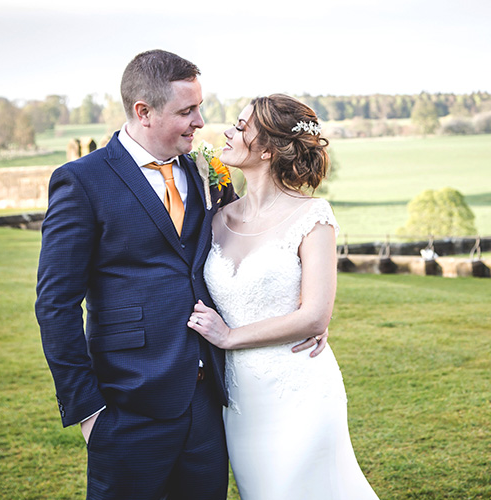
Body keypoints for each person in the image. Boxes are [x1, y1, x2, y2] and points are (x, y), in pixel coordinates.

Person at [35, 51, 323, 500]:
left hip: (209, 405)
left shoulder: (205, 171)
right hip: (128, 404)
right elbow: (56, 305)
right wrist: (88, 410)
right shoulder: (82, 182)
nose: (200, 121)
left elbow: (246, 253)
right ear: (143, 112)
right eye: (187, 111)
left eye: (199, 107)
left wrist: (300, 318)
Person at [188, 94, 379, 499]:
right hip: (239, 399)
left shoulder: (314, 217)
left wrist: (228, 337)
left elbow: (314, 317)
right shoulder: (216, 218)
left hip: (300, 388)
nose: (227, 131)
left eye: (241, 127)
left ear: (269, 149)